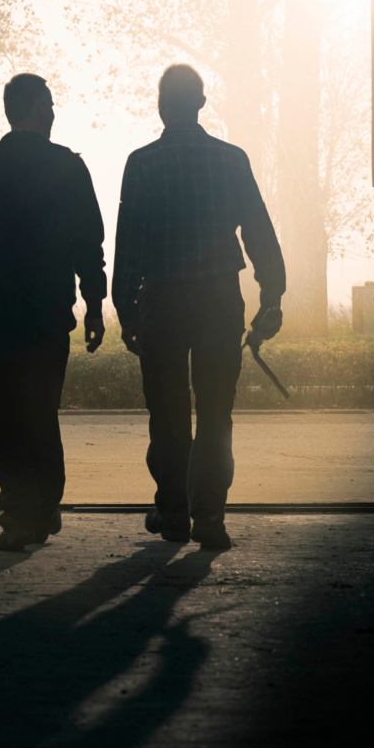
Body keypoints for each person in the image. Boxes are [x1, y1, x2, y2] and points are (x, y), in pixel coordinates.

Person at [114, 63, 284, 553]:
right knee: (216, 411)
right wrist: (271, 294)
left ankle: (172, 513)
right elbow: (258, 231)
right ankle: (209, 515)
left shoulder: (141, 163)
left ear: (162, 106)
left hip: (163, 299)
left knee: (167, 412)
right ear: (202, 104)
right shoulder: (232, 160)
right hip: (217, 298)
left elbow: (130, 242)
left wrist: (125, 307)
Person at [0, 73, 108, 553]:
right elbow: (88, 246)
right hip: (48, 313)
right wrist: (94, 306)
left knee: (1, 413)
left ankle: (20, 510)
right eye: (50, 105)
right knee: (40, 410)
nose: (54, 113)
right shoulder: (68, 168)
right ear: (37, 109)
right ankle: (43, 505)